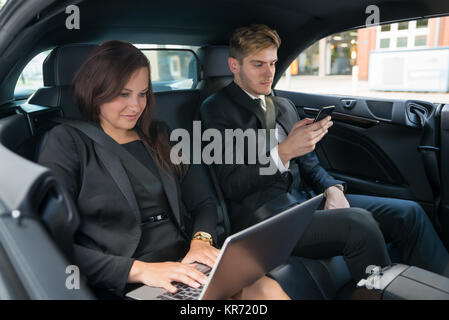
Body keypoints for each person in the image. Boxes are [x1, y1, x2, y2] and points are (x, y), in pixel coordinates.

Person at [38, 40, 289, 300]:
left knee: (266, 288)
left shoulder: (160, 136)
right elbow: (50, 238)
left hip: (185, 266)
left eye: (143, 93)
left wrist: (201, 241)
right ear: (96, 90)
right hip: (128, 281)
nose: (135, 106)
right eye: (123, 94)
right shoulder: (67, 142)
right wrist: (140, 270)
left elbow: (203, 203)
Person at [200, 24, 449, 283]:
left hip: (305, 202)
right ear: (233, 66)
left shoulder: (282, 105)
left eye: (273, 63)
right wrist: (282, 153)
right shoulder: (216, 109)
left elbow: (311, 164)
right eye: (258, 64)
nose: (269, 74)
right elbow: (231, 184)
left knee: (409, 213)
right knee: (359, 224)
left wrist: (333, 190)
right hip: (266, 220)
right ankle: (378, 292)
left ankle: (441, 287)